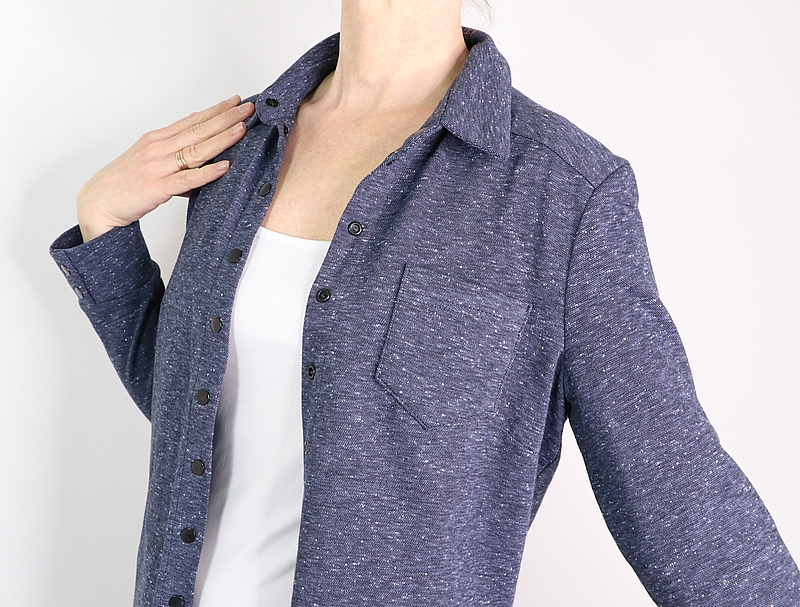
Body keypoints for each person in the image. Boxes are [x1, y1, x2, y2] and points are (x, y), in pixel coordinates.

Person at [49, 1, 800, 606]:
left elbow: (674, 491)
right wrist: (104, 226)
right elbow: (207, 409)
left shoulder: (560, 192)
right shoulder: (236, 151)